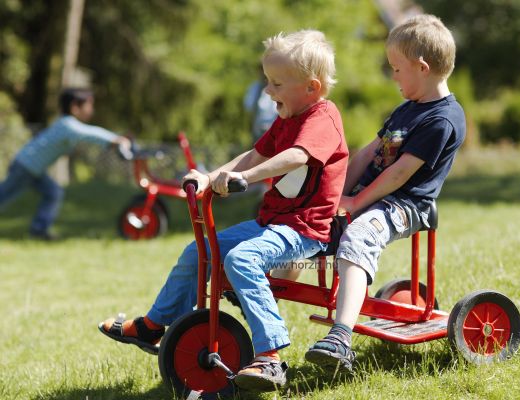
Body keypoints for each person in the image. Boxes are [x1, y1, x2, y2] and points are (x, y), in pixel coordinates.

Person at [99, 29, 349, 391]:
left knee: (241, 259)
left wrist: (244, 178)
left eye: (277, 84)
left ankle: (270, 357)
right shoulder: (286, 119)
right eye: (268, 81)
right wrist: (210, 177)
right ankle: (154, 326)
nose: (268, 91)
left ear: (312, 88)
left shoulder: (322, 118)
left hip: (304, 230)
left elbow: (296, 156)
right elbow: (255, 154)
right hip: (271, 223)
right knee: (198, 252)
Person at [305, 14, 466, 373]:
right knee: (308, 215)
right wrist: (333, 194)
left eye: (396, 69)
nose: (393, 77)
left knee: (359, 234)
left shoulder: (442, 119)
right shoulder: (407, 109)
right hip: (374, 195)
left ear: (422, 68)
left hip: (404, 204)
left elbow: (400, 173)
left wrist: (355, 203)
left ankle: (340, 338)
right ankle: (265, 280)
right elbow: (368, 154)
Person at [0, 88, 131, 240]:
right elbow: (90, 133)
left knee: (53, 192)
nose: (91, 110)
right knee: (3, 195)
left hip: (34, 169)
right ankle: (39, 229)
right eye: (89, 105)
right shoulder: (68, 125)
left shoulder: (65, 125)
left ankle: (39, 230)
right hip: (26, 167)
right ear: (75, 106)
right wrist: (115, 139)